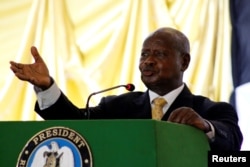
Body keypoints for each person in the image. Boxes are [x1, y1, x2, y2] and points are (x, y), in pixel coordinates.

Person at [10, 27, 242, 151]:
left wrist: (205, 126)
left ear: (184, 62)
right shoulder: (117, 107)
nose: (148, 61)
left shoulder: (212, 111)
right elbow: (74, 124)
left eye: (159, 54)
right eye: (144, 54)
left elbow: (232, 145)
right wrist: (47, 87)